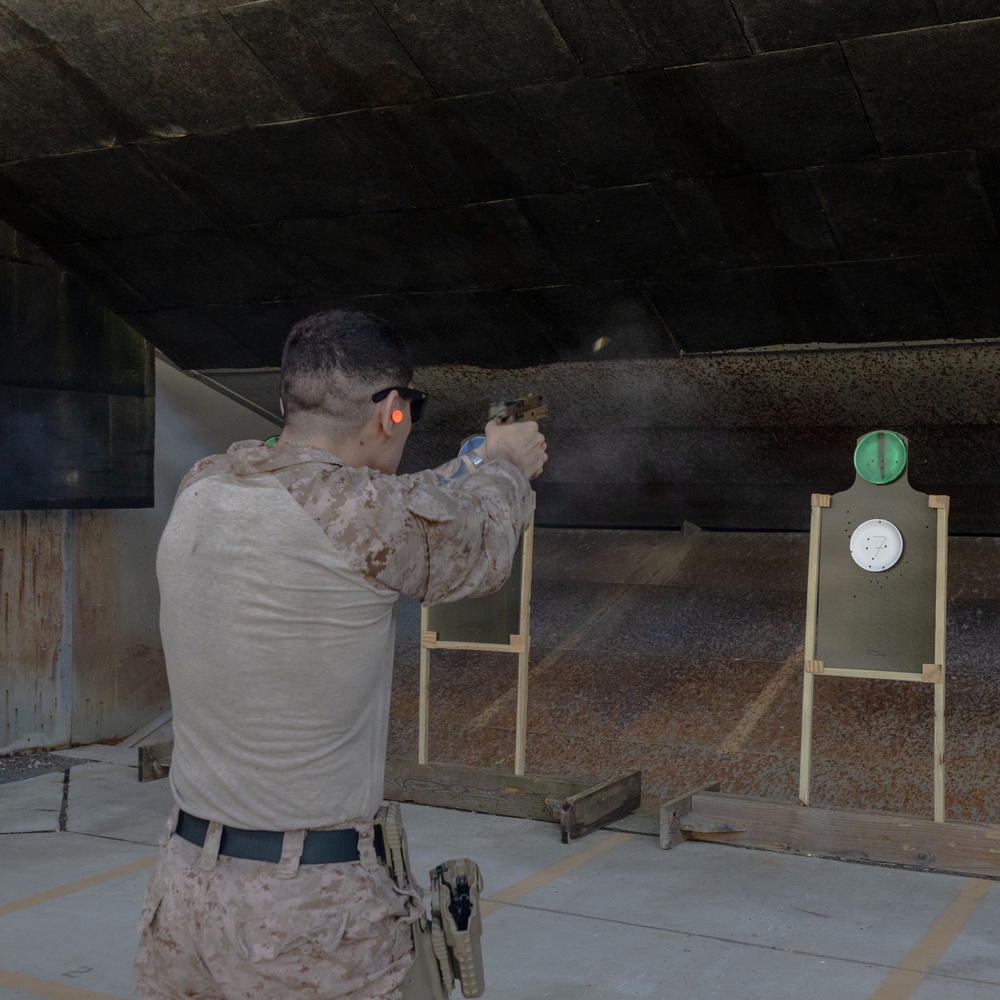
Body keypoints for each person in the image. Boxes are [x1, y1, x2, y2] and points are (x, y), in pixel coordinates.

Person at [135, 308, 547, 1000]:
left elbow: (382, 504)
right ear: (389, 411)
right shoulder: (365, 518)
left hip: (183, 895)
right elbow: (475, 547)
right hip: (307, 918)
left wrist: (469, 461)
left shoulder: (204, 486)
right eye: (408, 409)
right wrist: (506, 469)